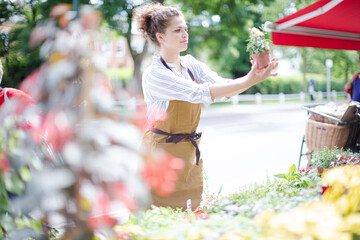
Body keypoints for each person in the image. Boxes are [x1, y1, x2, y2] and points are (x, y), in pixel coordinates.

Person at [134, 2, 278, 211]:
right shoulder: (155, 74)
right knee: (159, 216)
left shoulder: (190, 64)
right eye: (177, 30)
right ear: (160, 37)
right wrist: (250, 80)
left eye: (185, 29)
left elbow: (223, 87)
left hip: (188, 152)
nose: (185, 34)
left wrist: (253, 76)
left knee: (191, 213)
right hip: (160, 155)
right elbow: (198, 93)